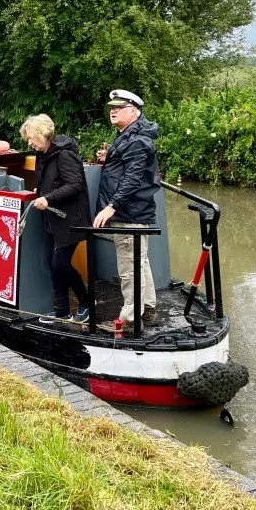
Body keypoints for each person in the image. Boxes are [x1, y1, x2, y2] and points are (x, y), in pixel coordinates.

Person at [93, 89, 160, 333]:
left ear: (134, 111)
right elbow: (126, 167)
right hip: (135, 210)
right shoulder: (130, 136)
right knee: (139, 261)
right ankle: (149, 309)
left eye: (119, 107)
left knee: (130, 267)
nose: (113, 110)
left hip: (130, 213)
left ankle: (130, 319)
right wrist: (108, 158)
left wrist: (112, 207)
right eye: (112, 107)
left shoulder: (137, 140)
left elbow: (132, 179)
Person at [20, 114, 92, 324]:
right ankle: (61, 311)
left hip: (71, 219)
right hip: (53, 219)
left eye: (31, 137)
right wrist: (40, 189)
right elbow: (52, 180)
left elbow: (75, 184)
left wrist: (48, 197)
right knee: (55, 266)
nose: (29, 142)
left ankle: (86, 303)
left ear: (43, 134)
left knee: (59, 264)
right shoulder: (44, 154)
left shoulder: (64, 155)